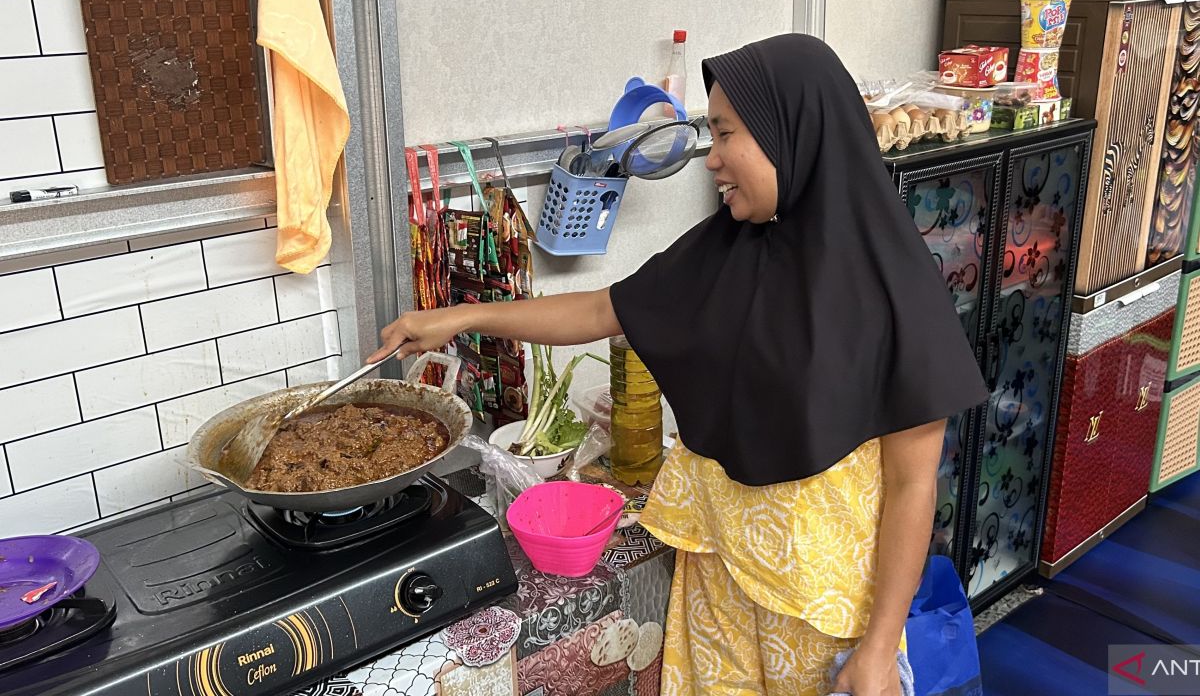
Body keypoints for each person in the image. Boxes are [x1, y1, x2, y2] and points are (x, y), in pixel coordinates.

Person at [369, 34, 989, 696]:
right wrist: (461, 317)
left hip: (820, 616)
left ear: (791, 134)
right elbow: (607, 309)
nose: (711, 160)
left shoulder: (894, 286)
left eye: (725, 135)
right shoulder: (730, 247)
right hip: (716, 580)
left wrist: (875, 648)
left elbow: (912, 487)